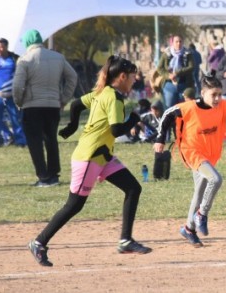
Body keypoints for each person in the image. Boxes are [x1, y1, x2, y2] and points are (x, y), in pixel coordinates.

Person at [28, 56, 150, 267]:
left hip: (103, 155)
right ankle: (39, 242)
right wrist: (133, 119)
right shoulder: (114, 97)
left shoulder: (102, 92)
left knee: (133, 188)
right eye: (132, 77)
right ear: (122, 77)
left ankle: (125, 240)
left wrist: (73, 126)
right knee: (74, 205)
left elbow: (76, 105)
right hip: (90, 157)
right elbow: (116, 130)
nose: (134, 80)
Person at [155, 74, 226, 247]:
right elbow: (166, 115)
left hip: (210, 154)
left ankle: (189, 229)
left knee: (200, 191)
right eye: (214, 94)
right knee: (215, 179)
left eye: (220, 94)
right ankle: (202, 214)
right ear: (203, 93)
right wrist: (160, 138)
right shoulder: (188, 108)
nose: (218, 98)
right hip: (192, 152)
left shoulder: (224, 106)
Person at [13, 29, 78, 188]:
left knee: (35, 142)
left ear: (28, 42)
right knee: (51, 140)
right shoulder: (58, 57)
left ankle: (43, 177)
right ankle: (54, 175)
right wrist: (63, 99)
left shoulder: (25, 60)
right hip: (53, 106)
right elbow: (72, 77)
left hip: (32, 106)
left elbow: (17, 86)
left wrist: (19, 101)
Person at [156, 35, 195, 109]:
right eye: (176, 42)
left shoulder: (187, 54)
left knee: (184, 108)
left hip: (184, 84)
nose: (178, 43)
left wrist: (178, 72)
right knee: (169, 108)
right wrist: (168, 75)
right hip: (169, 85)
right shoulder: (166, 54)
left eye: (180, 41)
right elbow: (160, 68)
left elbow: (191, 67)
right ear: (172, 43)